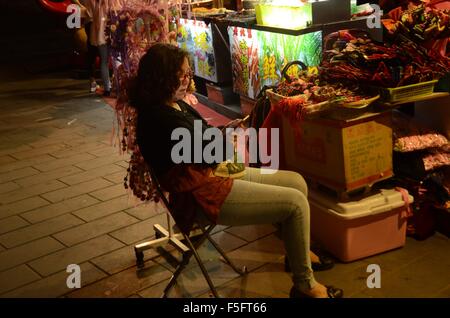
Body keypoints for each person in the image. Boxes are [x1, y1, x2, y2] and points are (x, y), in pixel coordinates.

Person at [131, 43, 343, 298]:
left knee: (296, 182)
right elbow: (213, 151)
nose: (188, 80)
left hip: (216, 171)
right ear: (164, 78)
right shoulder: (158, 118)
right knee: (296, 203)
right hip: (201, 192)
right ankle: (305, 285)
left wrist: (223, 140)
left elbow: (210, 146)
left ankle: (296, 252)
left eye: (188, 73)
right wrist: (224, 142)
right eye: (183, 74)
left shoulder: (174, 104)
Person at [83, 0, 114, 96]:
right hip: (113, 31)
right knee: (116, 60)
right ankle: (117, 86)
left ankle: (107, 89)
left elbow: (89, 14)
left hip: (100, 32)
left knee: (104, 61)